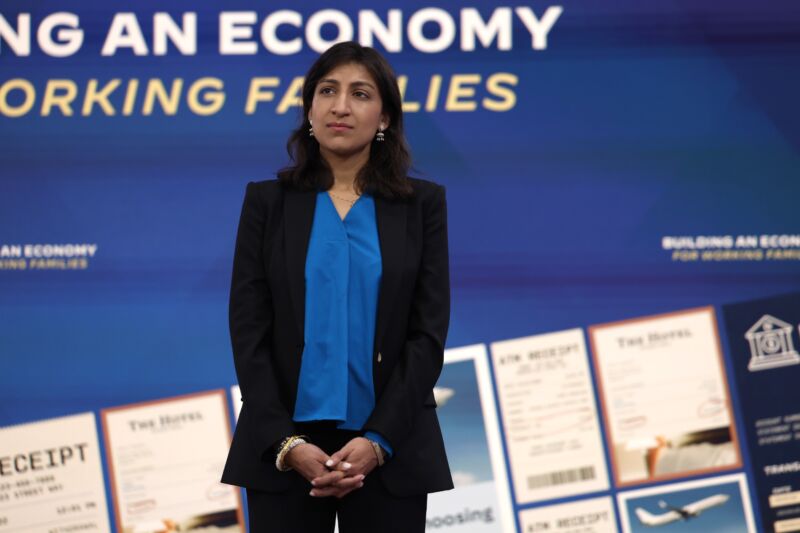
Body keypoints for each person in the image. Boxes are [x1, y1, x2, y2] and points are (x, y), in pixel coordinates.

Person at [221, 41, 453, 533]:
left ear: (385, 117)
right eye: (327, 91)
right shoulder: (267, 202)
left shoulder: (422, 205)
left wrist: (378, 441)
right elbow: (249, 332)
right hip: (284, 449)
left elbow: (426, 335)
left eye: (360, 93)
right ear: (309, 109)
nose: (341, 106)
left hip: (390, 447)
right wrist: (287, 444)